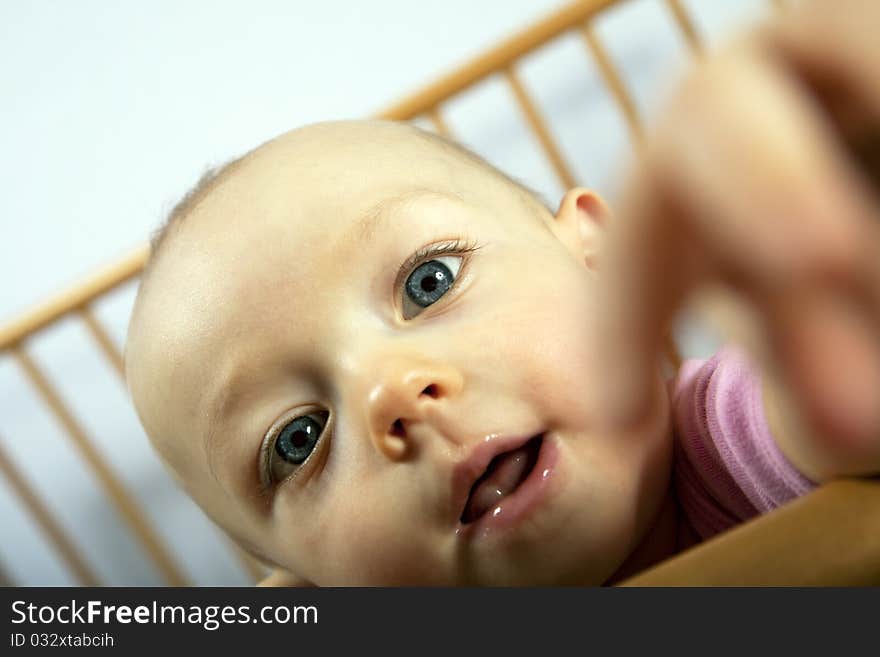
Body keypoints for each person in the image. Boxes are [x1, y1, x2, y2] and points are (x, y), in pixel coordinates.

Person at [123, 0, 879, 585]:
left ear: (595, 257)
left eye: (430, 282)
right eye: (297, 439)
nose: (394, 392)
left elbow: (833, 414)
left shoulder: (737, 437)